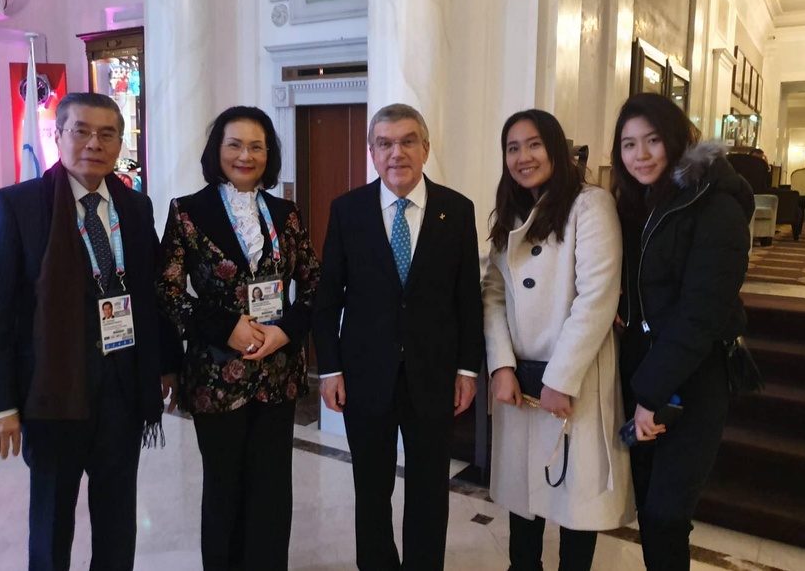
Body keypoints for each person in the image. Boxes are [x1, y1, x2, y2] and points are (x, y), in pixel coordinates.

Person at [0, 92, 181, 570]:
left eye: (107, 134)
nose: (94, 143)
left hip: (122, 392)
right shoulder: (16, 206)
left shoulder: (134, 205)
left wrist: (165, 364)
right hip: (52, 395)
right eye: (81, 131)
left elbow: (151, 294)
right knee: (51, 522)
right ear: (58, 135)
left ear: (120, 142)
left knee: (117, 520)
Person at [313, 103, 484, 570]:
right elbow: (327, 298)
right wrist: (329, 368)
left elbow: (468, 298)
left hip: (434, 377)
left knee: (430, 489)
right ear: (371, 152)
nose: (396, 153)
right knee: (371, 489)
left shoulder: (457, 209)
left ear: (425, 148)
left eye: (408, 141)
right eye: (384, 143)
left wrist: (468, 369)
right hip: (366, 376)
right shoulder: (348, 211)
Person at [156, 105, 320, 571]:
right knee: (224, 486)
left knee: (271, 488)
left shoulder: (286, 214)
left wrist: (285, 330)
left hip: (277, 372)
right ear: (217, 150)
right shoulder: (188, 211)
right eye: (235, 144)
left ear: (269, 154)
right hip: (215, 374)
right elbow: (165, 290)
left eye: (256, 146)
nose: (245, 155)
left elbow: (314, 283)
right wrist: (223, 326)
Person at [483, 110, 635, 571]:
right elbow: (492, 294)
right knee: (522, 494)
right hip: (520, 377)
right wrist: (501, 365)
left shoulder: (590, 204)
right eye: (513, 147)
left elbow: (597, 297)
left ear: (555, 148)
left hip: (575, 374)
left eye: (534, 144)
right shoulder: (510, 210)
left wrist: (561, 378)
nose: (523, 156)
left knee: (576, 497)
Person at [611, 93, 753, 570]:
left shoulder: (716, 204)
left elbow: (700, 313)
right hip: (647, 368)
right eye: (629, 144)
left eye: (652, 140)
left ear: (676, 139)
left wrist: (649, 394)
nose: (641, 154)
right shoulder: (640, 203)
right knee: (652, 508)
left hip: (696, 375)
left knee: (668, 512)